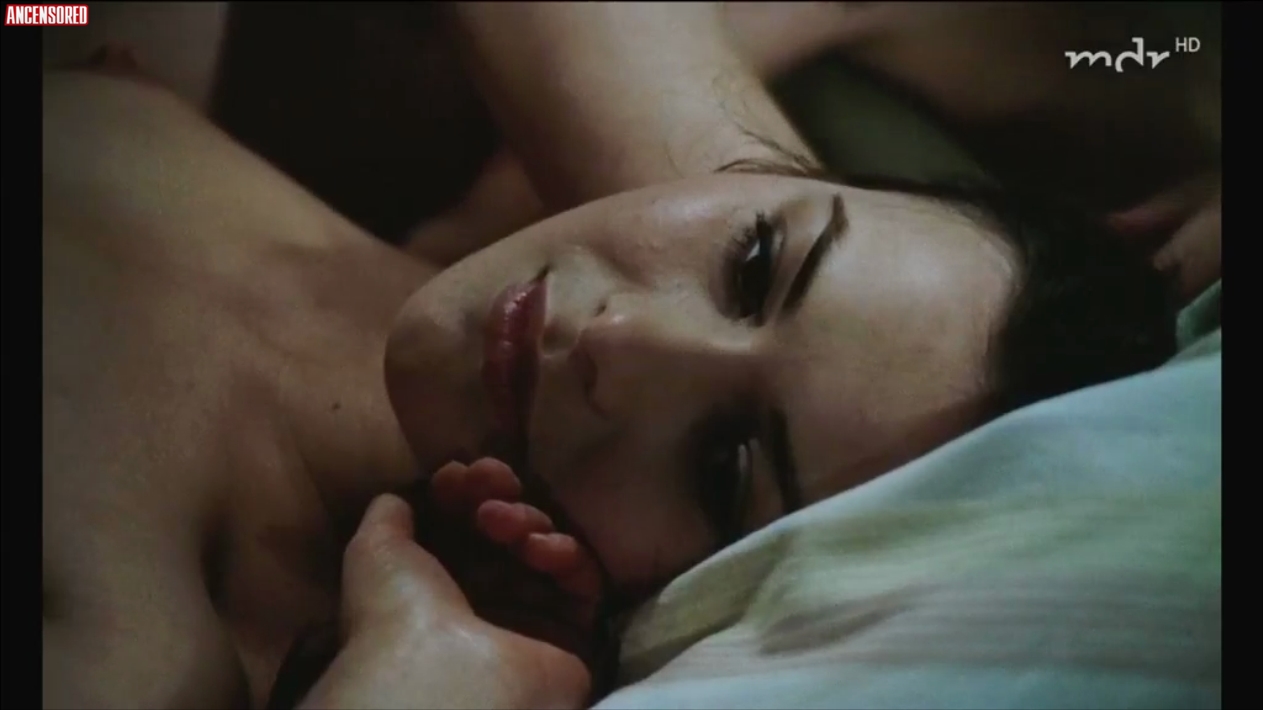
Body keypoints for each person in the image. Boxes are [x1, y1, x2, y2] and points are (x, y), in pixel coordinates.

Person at [42, 4, 1200, 708]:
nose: (622, 342)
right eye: (753, 261)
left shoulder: (135, 641)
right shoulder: (526, 236)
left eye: (723, 466)